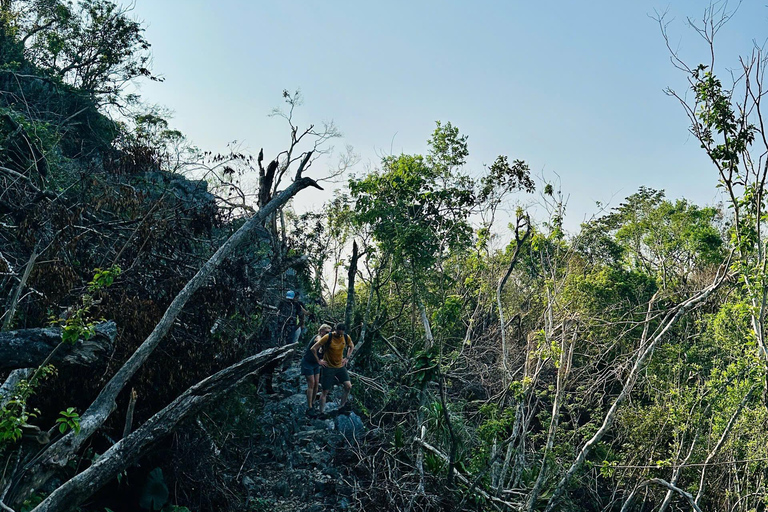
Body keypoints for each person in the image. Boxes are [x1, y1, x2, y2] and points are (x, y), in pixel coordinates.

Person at [263, 290, 307, 395]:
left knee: (289, 347)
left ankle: (285, 367)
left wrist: (297, 326)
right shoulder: (283, 303)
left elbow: (301, 317)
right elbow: (278, 314)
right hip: (281, 329)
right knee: (283, 347)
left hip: (290, 329)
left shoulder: (296, 305)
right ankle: (281, 367)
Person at [311, 323, 354, 416]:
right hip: (328, 367)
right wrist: (319, 361)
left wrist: (347, 358)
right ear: (335, 330)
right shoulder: (328, 337)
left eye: (341, 333)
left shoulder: (346, 337)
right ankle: (321, 412)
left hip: (340, 366)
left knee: (348, 386)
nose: (340, 335)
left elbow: (351, 346)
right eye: (338, 333)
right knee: (325, 391)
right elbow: (314, 348)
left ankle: (342, 407)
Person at [301, 324, 330, 416]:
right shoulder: (318, 337)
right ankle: (309, 406)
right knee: (311, 383)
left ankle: (313, 403)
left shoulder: (327, 341)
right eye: (326, 332)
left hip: (315, 364)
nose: (327, 334)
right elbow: (318, 341)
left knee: (317, 383)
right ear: (321, 331)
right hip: (308, 362)